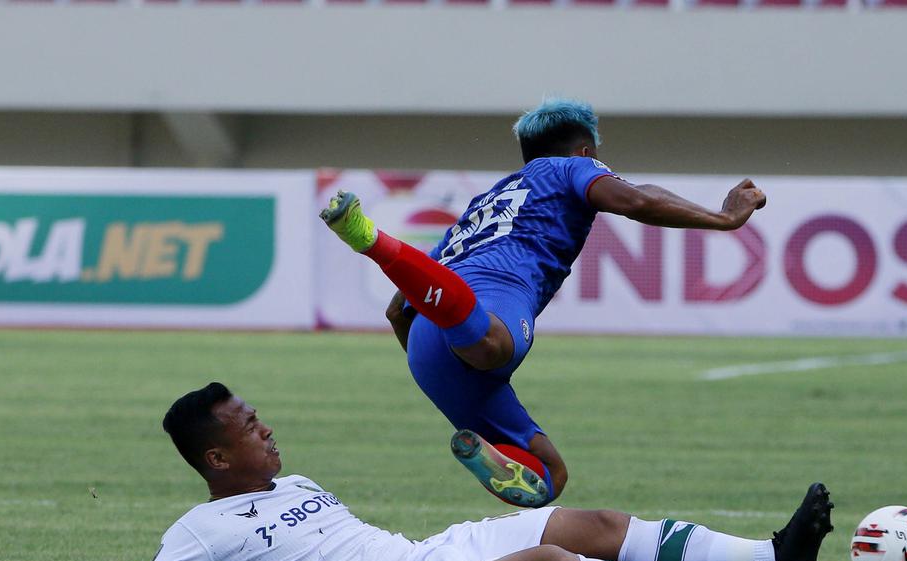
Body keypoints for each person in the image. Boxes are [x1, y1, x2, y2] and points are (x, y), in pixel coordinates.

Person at [2, 383, 833, 561]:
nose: (266, 428)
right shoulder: (200, 532)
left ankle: (770, 560)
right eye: (248, 427)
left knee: (586, 522)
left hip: (429, 557)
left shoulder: (297, 486)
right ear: (216, 459)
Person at [319, 97, 767, 508]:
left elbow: (396, 310)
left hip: (427, 341)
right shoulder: (571, 168)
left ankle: (481, 438)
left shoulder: (484, 202)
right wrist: (724, 218)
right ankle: (371, 239)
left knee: (550, 476)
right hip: (487, 310)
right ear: (587, 151)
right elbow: (634, 199)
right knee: (491, 345)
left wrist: (442, 362)